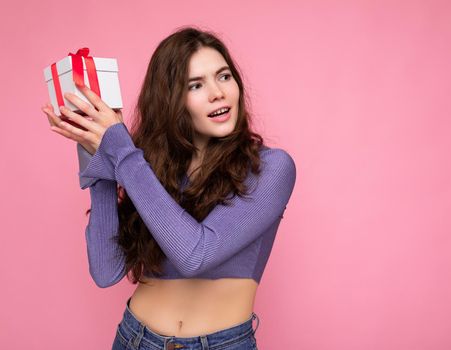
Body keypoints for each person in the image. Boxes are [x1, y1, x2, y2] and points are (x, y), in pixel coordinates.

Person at [42, 26, 296, 350]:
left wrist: (119, 148)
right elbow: (106, 272)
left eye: (224, 76)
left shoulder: (270, 168)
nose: (217, 93)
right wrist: (97, 153)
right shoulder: (146, 166)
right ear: (171, 99)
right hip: (134, 339)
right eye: (196, 85)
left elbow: (195, 255)